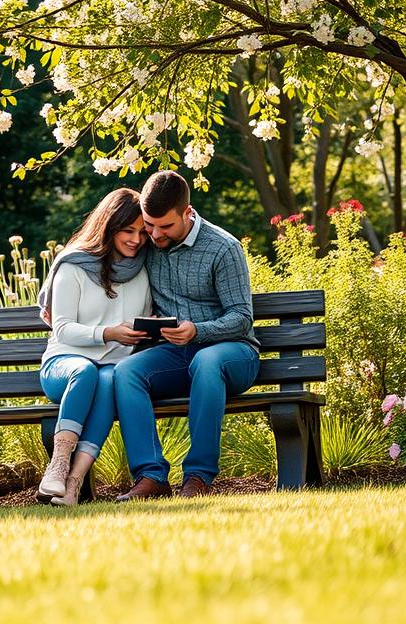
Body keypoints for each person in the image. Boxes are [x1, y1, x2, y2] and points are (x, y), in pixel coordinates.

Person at [113, 171, 260, 500]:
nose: (153, 234)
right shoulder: (148, 242)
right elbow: (94, 253)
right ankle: (151, 476)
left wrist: (198, 330)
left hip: (232, 354)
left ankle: (198, 477)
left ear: (187, 213)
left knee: (207, 361)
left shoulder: (223, 248)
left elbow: (241, 317)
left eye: (165, 226)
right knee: (126, 372)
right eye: (150, 224)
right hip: (177, 355)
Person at [36, 187, 152, 506]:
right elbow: (61, 328)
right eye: (128, 230)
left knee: (108, 380)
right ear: (109, 226)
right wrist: (109, 333)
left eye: (142, 232)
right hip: (64, 365)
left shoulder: (143, 270)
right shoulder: (73, 265)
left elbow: (143, 321)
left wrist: (147, 328)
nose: (136, 240)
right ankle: (58, 465)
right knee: (86, 371)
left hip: (111, 368)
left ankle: (73, 485)